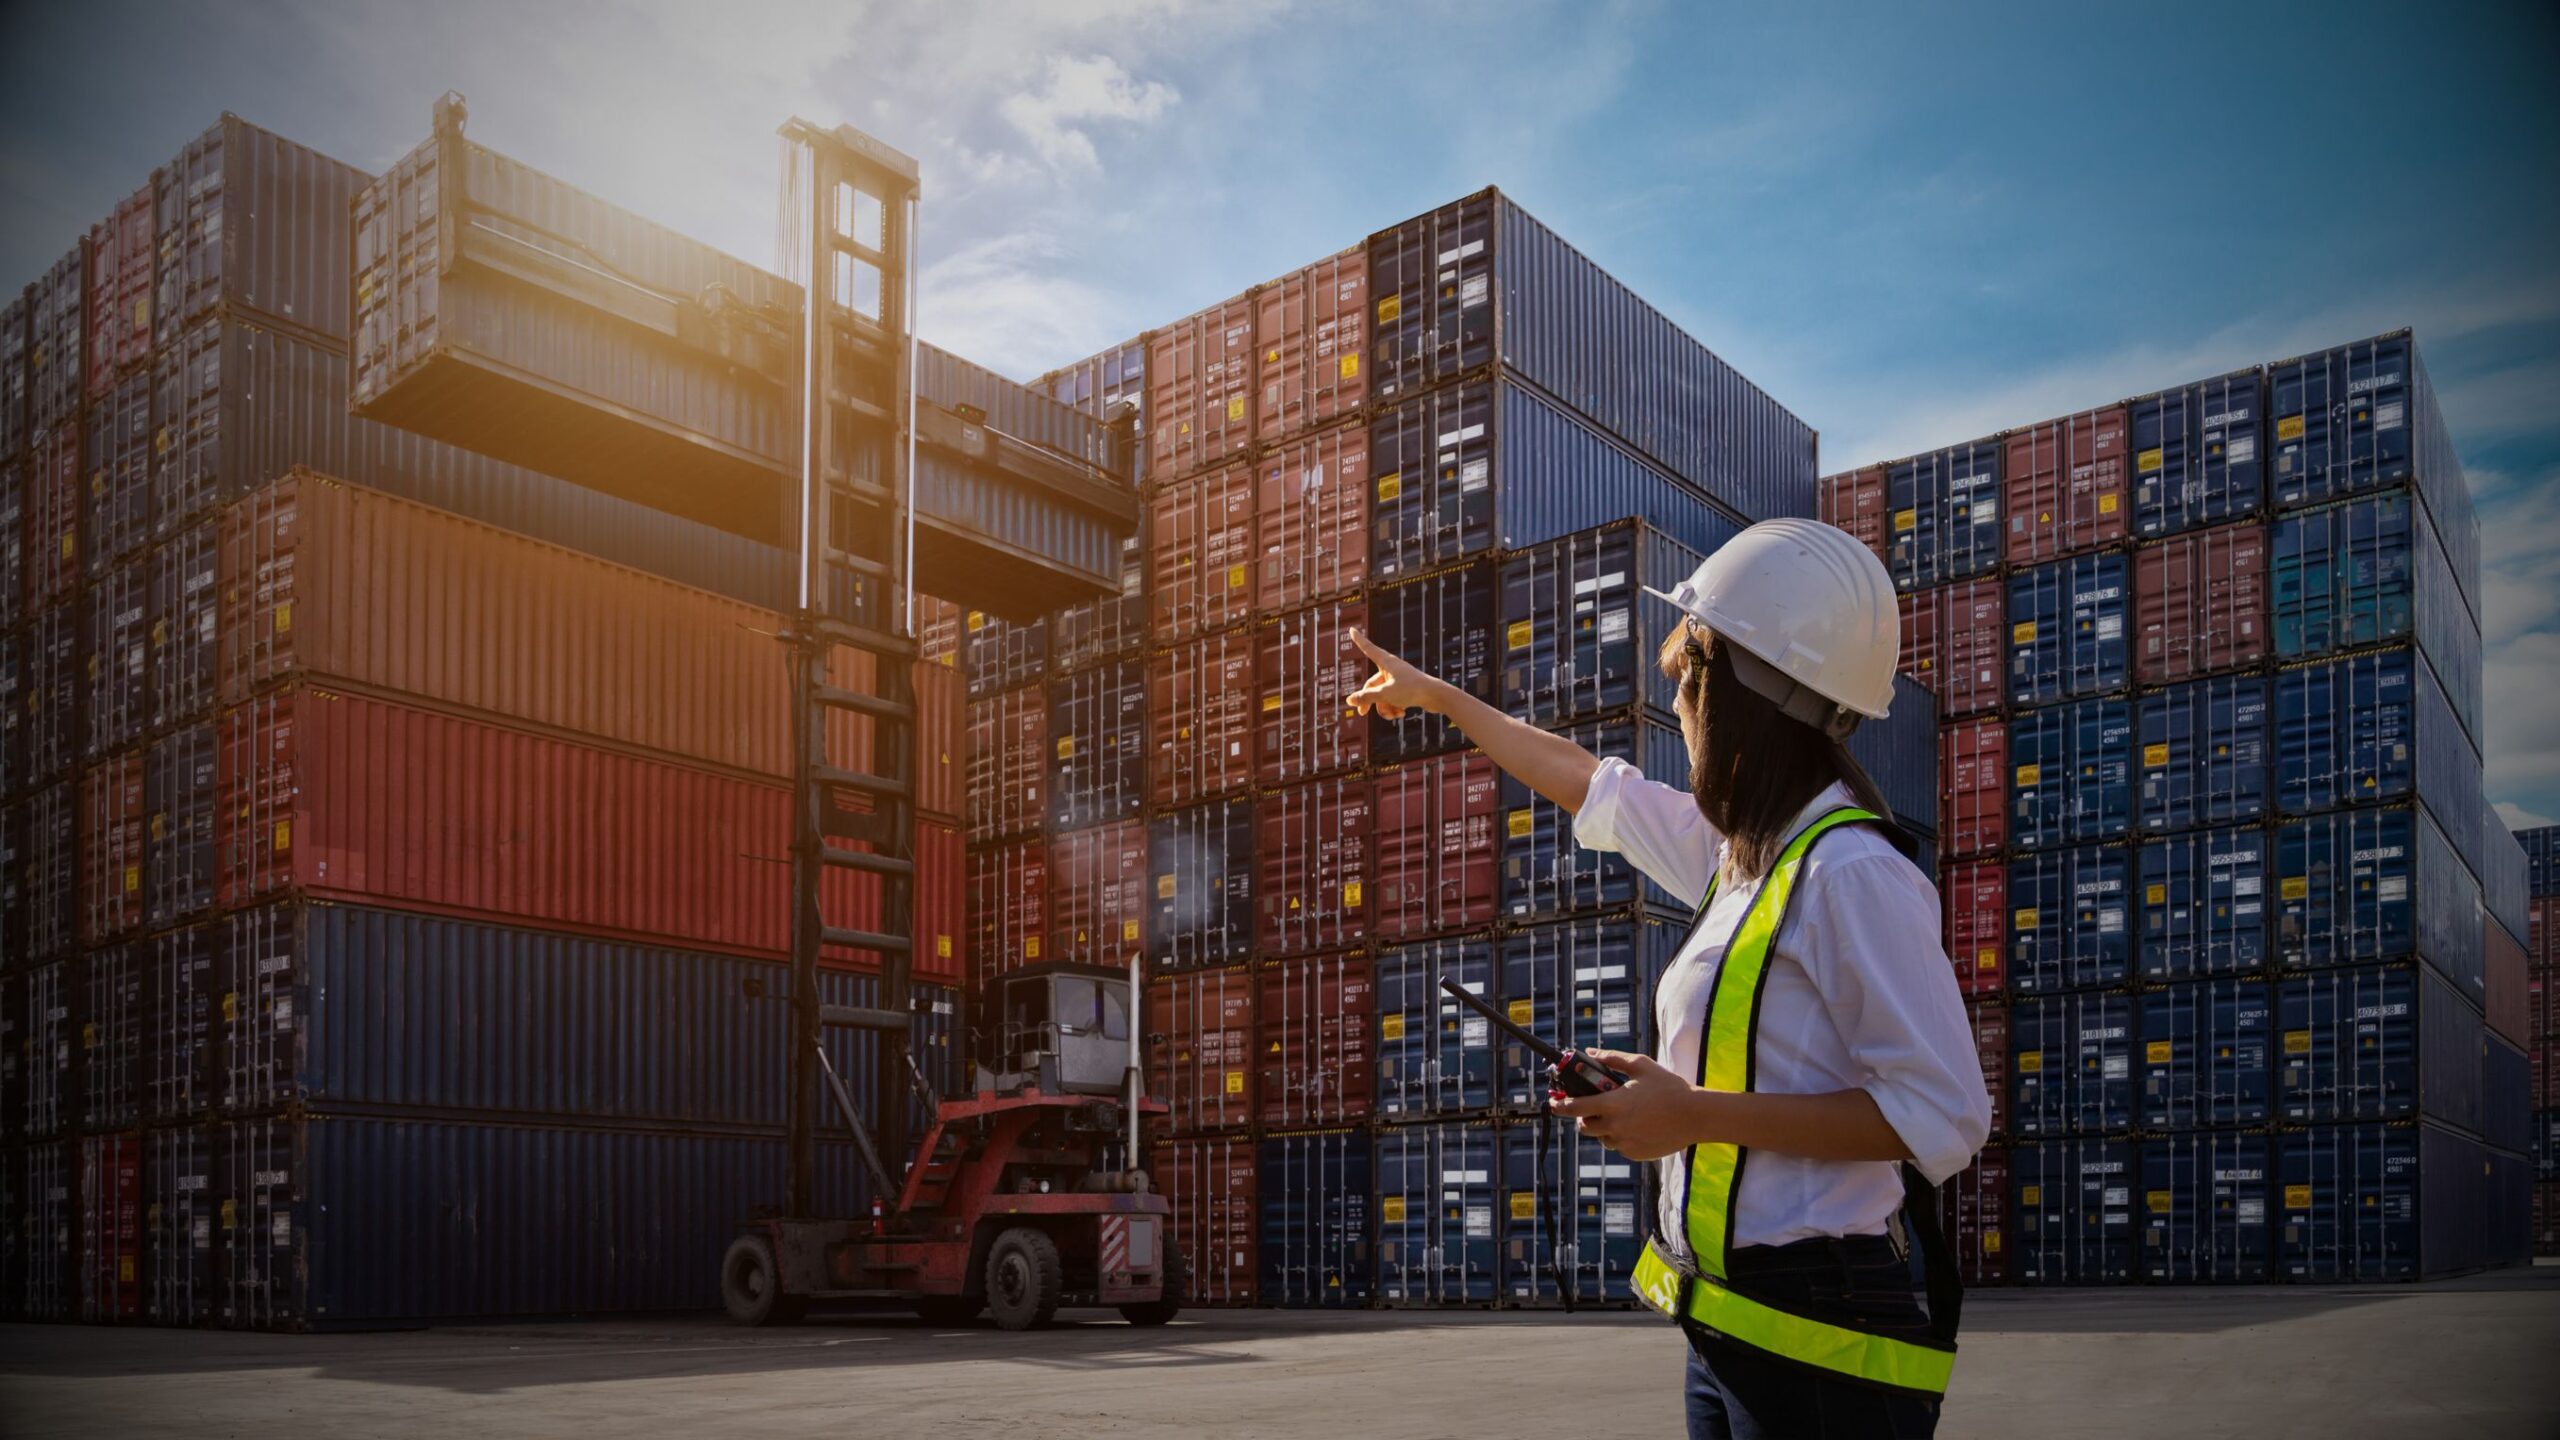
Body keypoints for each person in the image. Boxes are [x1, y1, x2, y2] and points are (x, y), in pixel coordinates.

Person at [1345, 518, 1991, 1439]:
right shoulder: (1741, 858)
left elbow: (1946, 1115)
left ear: (1742, 690)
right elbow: (1585, 780)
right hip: (1724, 1323)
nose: (1677, 700)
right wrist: (1443, 700)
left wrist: (1690, 1114)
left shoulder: (1850, 871)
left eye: (1688, 673)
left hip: (1820, 1335)